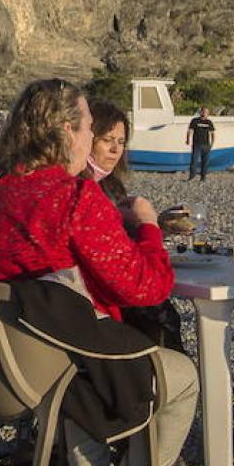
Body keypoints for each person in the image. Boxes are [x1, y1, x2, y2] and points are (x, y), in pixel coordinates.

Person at [0, 78, 199, 466]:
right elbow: (148, 287)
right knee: (180, 376)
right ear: (66, 131)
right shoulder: (73, 196)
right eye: (88, 128)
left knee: (73, 350)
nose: (91, 139)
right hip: (55, 367)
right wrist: (148, 228)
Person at [86, 97, 184, 352]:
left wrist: (156, 223)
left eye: (120, 142)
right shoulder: (82, 190)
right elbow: (122, 264)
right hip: (100, 311)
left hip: (97, 300)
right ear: (86, 138)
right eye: (107, 141)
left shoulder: (109, 184)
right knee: (161, 318)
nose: (115, 151)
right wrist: (146, 225)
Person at [184, 107, 215, 181]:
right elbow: (190, 131)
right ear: (200, 112)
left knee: (205, 162)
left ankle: (203, 177)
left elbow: (212, 134)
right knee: (194, 161)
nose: (204, 113)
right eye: (203, 112)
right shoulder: (195, 121)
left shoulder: (209, 122)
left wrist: (212, 143)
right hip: (197, 144)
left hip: (206, 145)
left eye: (206, 112)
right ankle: (192, 176)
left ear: (208, 114)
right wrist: (188, 139)